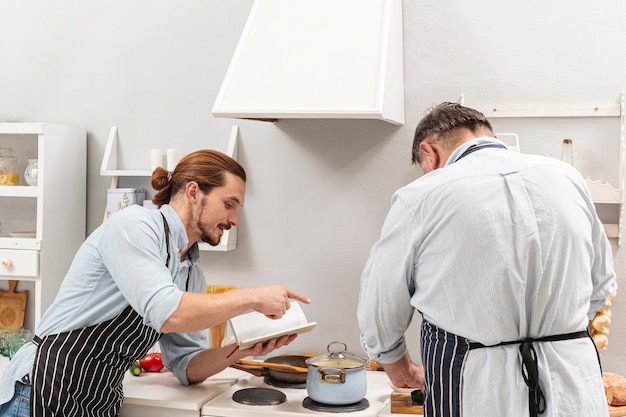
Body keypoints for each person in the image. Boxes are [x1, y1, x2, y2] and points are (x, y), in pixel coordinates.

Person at [0, 149, 310, 417]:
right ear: (193, 192)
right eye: (229, 204)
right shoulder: (134, 226)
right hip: (44, 386)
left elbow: (187, 365)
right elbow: (169, 312)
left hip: (98, 395)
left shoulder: (191, 271)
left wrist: (244, 349)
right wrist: (253, 297)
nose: (234, 220)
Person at [357, 102, 618, 417]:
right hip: (574, 389)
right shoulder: (568, 178)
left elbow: (381, 307)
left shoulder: (420, 197)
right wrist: (555, 336)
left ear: (429, 152)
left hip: (475, 391)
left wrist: (398, 368)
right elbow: (601, 285)